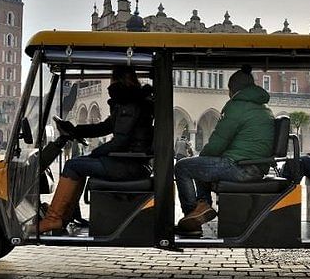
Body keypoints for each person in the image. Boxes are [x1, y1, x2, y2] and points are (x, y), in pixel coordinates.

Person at [38, 65, 154, 234]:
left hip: (128, 165)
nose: (110, 83)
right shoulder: (128, 103)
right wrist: (76, 130)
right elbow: (104, 127)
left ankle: (53, 219)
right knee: (78, 164)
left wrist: (94, 154)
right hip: (128, 162)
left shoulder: (129, 105)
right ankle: (64, 216)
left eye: (112, 78)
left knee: (73, 165)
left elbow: (120, 141)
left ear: (118, 79)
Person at [174, 66, 274, 235]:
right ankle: (203, 205)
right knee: (201, 166)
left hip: (240, 167)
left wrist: (202, 158)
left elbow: (217, 144)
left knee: (182, 167)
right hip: (254, 166)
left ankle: (192, 218)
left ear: (232, 89)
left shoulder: (236, 106)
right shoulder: (263, 108)